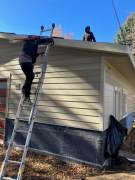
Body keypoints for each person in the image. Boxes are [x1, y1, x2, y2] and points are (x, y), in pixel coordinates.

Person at [19, 36, 54, 104]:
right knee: (30, 76)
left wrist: (39, 54)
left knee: (29, 76)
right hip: (26, 60)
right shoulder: (34, 41)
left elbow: (32, 54)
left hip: (22, 60)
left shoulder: (27, 44)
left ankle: (24, 89)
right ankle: (26, 97)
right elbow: (43, 40)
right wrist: (51, 39)